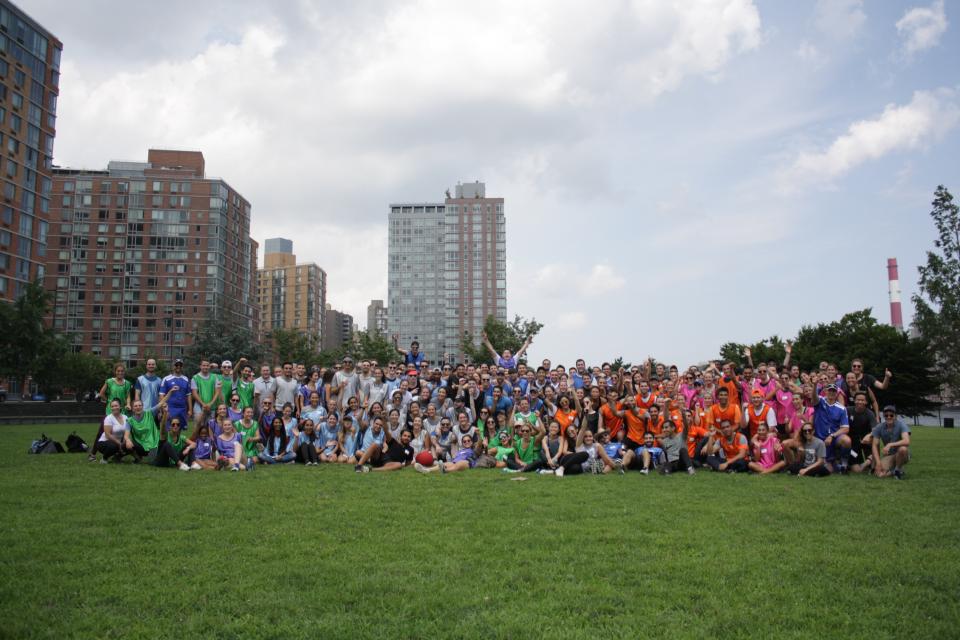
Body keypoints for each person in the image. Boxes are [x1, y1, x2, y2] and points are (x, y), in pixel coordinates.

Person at [812, 384, 851, 473]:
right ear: (825, 391)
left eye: (834, 391)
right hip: (820, 439)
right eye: (829, 390)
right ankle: (832, 462)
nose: (831, 393)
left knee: (847, 440)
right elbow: (814, 398)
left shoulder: (842, 408)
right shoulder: (820, 401)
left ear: (837, 393)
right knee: (829, 470)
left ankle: (844, 464)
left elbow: (845, 428)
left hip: (834, 438)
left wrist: (832, 436)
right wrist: (814, 385)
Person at [870, 405, 911, 479]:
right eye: (886, 415)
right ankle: (894, 471)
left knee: (903, 449)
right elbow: (874, 445)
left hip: (902, 454)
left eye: (891, 415)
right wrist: (878, 462)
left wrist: (890, 444)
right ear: (884, 416)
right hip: (889, 455)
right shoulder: (879, 427)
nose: (889, 417)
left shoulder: (902, 425)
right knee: (879, 474)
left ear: (895, 416)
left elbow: (906, 441)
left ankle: (897, 470)